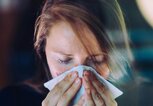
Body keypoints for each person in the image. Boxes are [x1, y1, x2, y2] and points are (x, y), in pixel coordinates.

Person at [0, 0, 133, 106]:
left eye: (97, 60)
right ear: (43, 51)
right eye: (64, 60)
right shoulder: (9, 101)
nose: (80, 76)